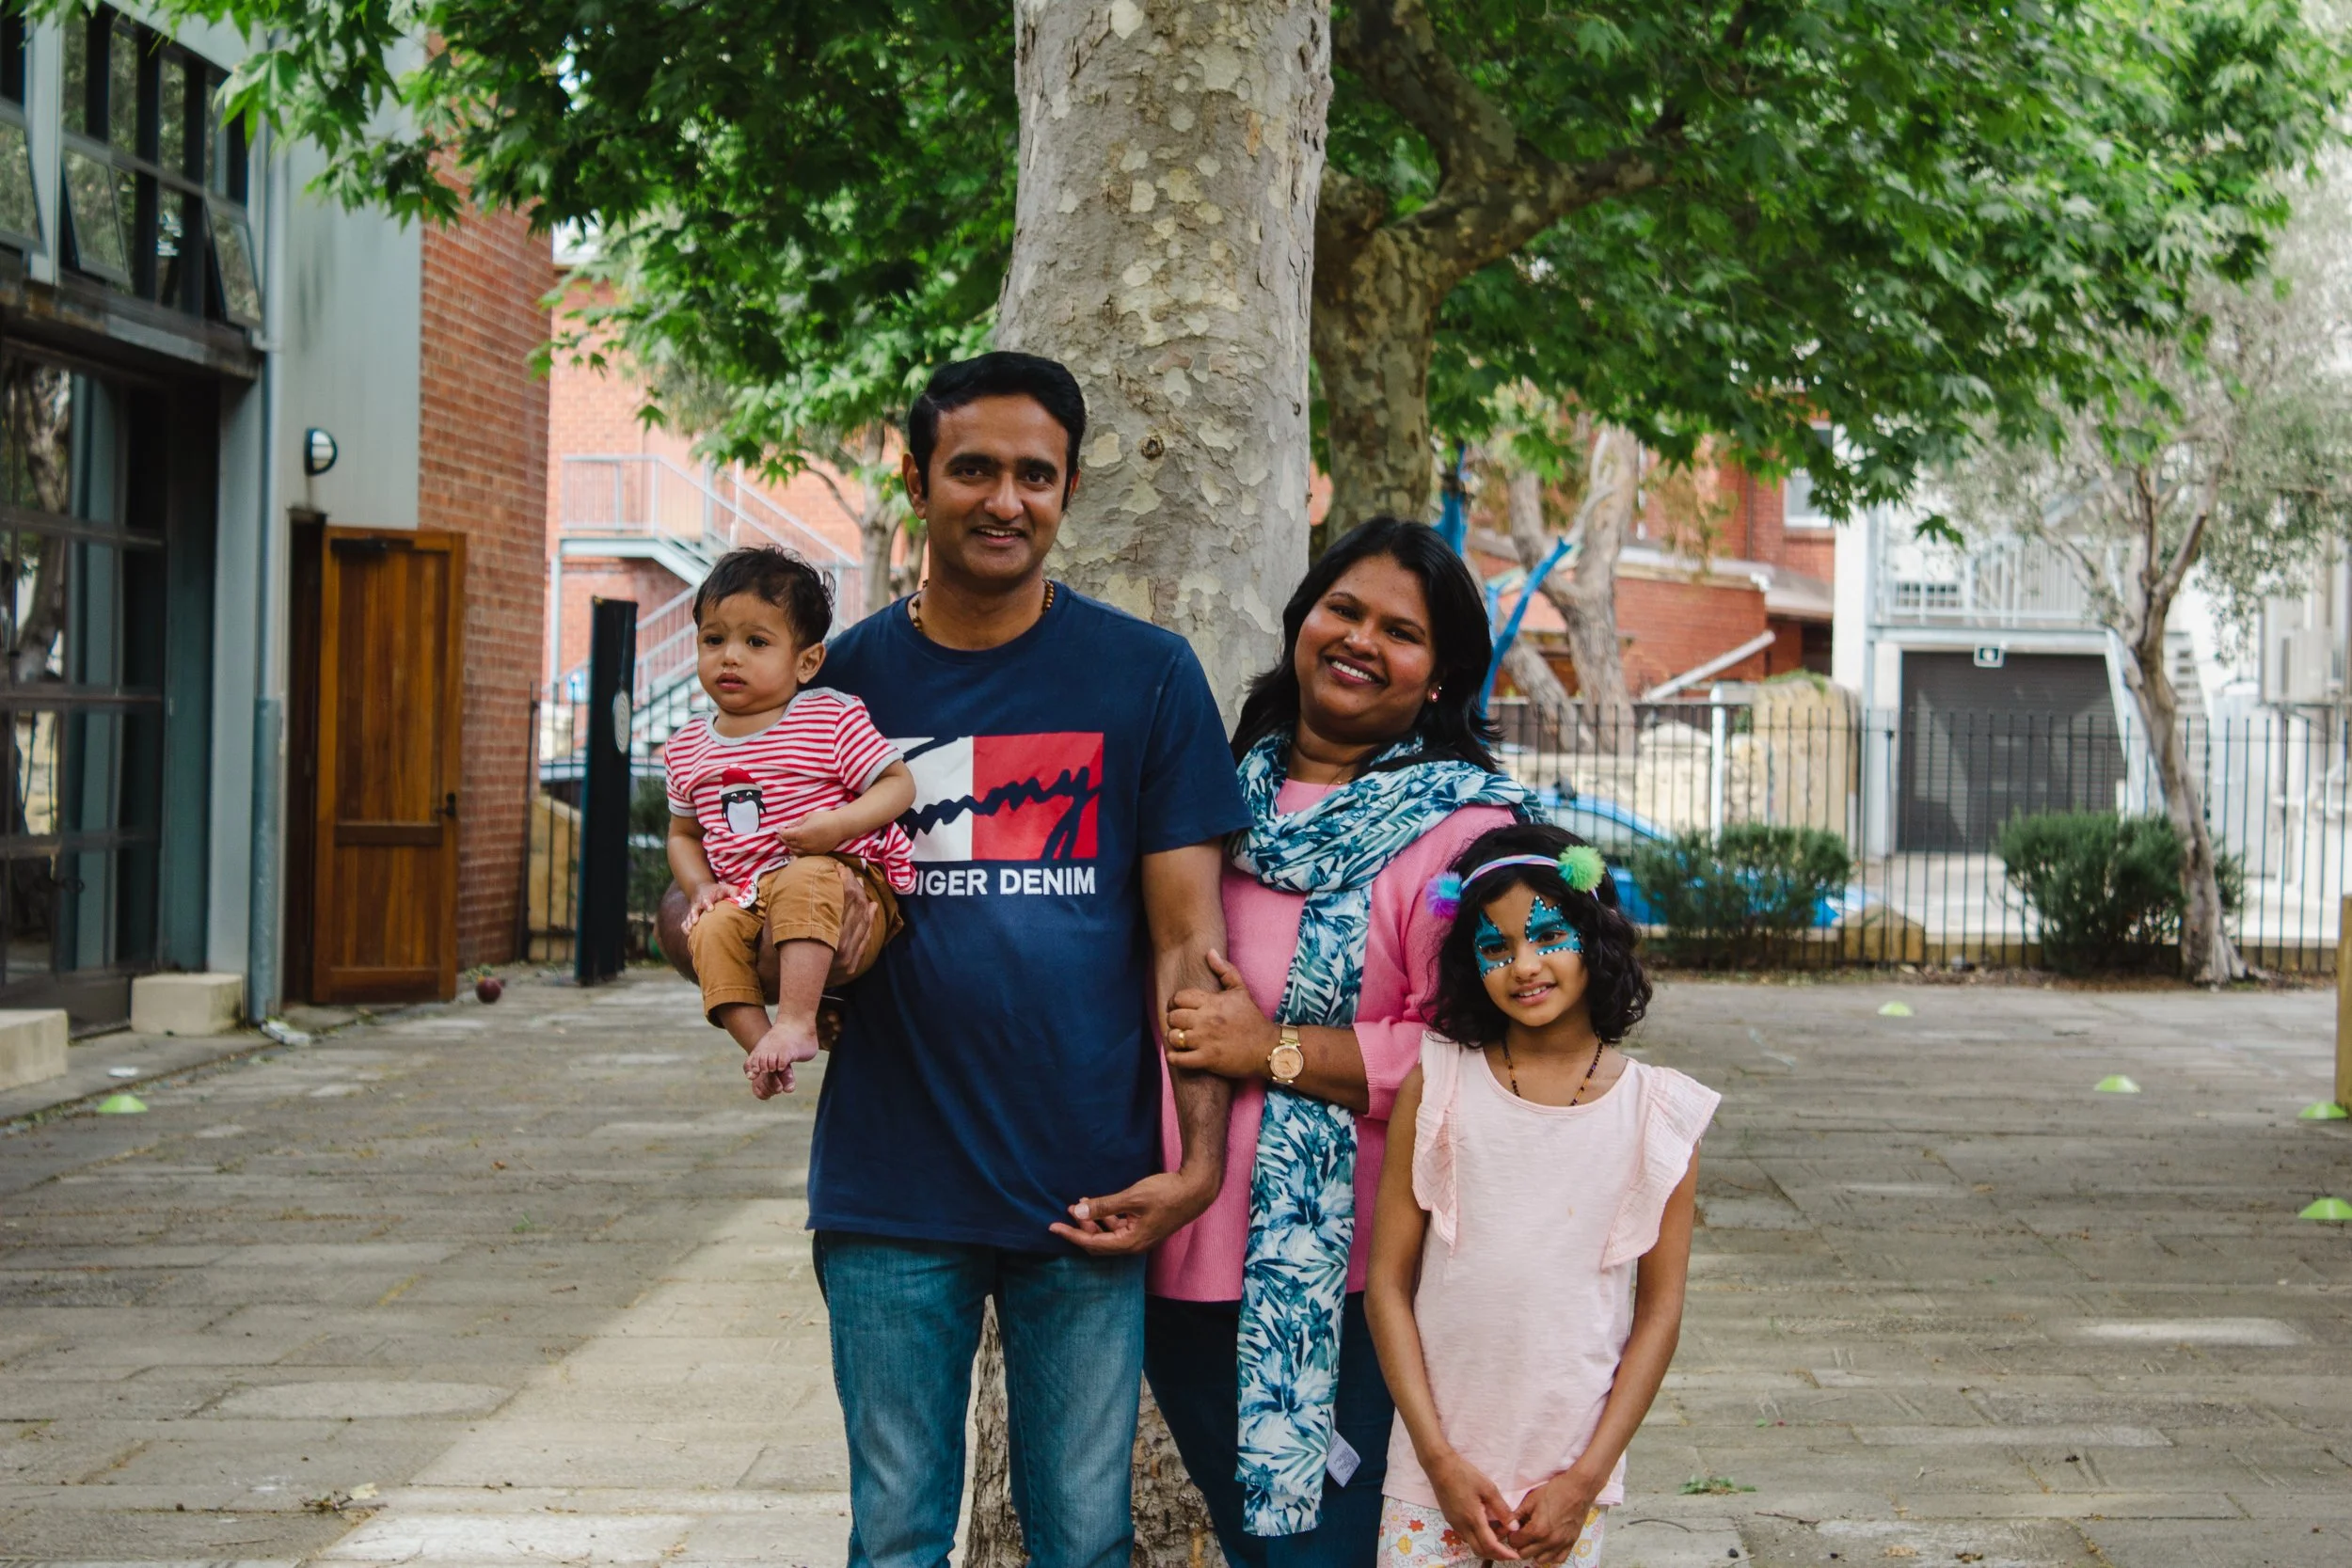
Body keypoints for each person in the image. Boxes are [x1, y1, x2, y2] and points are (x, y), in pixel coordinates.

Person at [807, 352, 1248, 1568]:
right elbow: (752, 889)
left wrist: (1198, 1162)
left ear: (1066, 489)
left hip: (1090, 1189)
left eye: (1036, 474)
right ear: (918, 478)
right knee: (893, 1536)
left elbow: (1187, 946)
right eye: (976, 469)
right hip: (890, 1185)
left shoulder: (1145, 677)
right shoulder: (841, 680)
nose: (1007, 498)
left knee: (1084, 1539)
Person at [1148, 518, 1534, 1568]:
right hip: (1183, 1261)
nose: (1361, 639)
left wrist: (1268, 1047)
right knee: (1258, 1548)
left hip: (1361, 1279)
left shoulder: (1465, 835)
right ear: (1301, 619)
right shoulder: (1210, 798)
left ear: (1443, 670)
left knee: (1318, 1555)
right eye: (1344, 609)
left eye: (1400, 631)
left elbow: (1484, 1054)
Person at [1366, 824, 1719, 1568]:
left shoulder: (1660, 1117)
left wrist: (1585, 1481)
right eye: (1495, 948)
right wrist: (1437, 1459)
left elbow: (1659, 1313)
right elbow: (1387, 1289)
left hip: (1563, 1494)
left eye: (1547, 935)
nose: (1523, 965)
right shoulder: (1439, 1086)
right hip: (1433, 1484)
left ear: (1595, 937)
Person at [663, 547, 917, 1096]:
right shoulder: (687, 748)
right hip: (745, 895)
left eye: (756, 642)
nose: (730, 657)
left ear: (806, 661)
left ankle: (798, 1019)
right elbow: (683, 835)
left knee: (805, 878)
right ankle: (764, 1050)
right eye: (714, 639)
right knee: (707, 929)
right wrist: (701, 887)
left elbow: (898, 784)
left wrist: (836, 827)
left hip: (839, 880)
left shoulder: (828, 717)